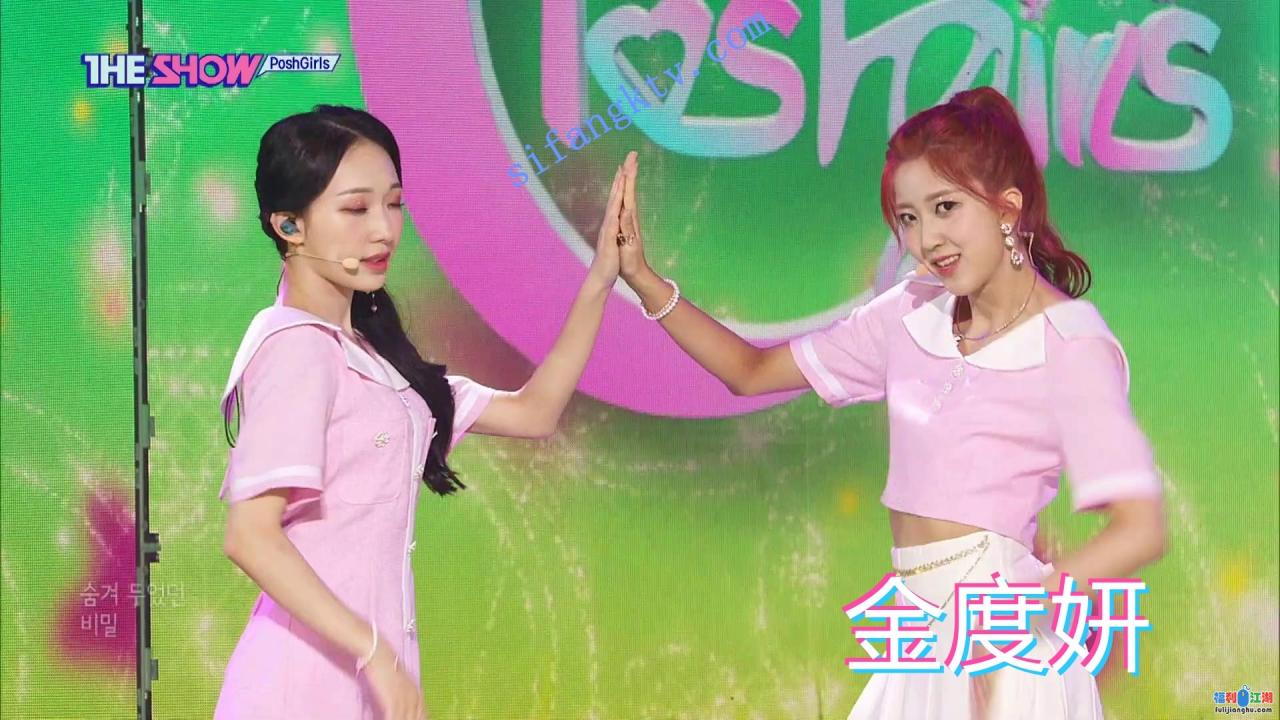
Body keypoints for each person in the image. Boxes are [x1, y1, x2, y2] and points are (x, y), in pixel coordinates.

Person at [605, 87, 1167, 719]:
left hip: (1004, 657)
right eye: (908, 218)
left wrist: (1024, 611)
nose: (927, 239)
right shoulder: (908, 314)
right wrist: (642, 278)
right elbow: (750, 371)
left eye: (946, 207)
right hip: (920, 640)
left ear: (1007, 208)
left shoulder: (1071, 342)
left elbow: (1141, 526)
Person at [213, 105, 628, 720]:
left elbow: (534, 412)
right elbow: (250, 535)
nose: (384, 230)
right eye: (356, 209)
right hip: (303, 688)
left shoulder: (377, 362)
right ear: (289, 225)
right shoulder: (297, 347)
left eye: (394, 204)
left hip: (364, 684)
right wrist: (374, 652)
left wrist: (600, 279)